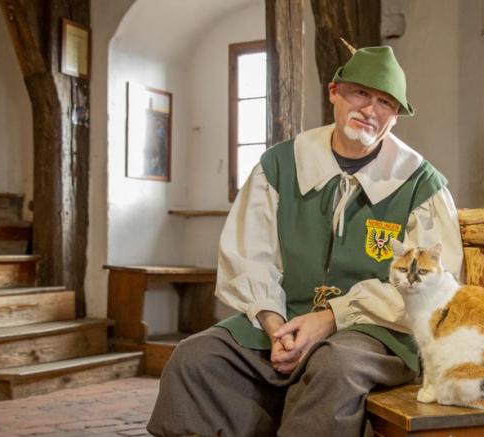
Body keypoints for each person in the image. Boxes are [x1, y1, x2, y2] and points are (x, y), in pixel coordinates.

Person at [147, 45, 463, 437]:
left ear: (395, 117)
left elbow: (432, 291)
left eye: (385, 102)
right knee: (196, 358)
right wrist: (274, 323)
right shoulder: (279, 166)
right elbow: (249, 257)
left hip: (375, 331)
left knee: (335, 367)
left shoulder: (420, 184)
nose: (370, 109)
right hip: (282, 319)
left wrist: (332, 318)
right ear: (334, 92)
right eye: (360, 93)